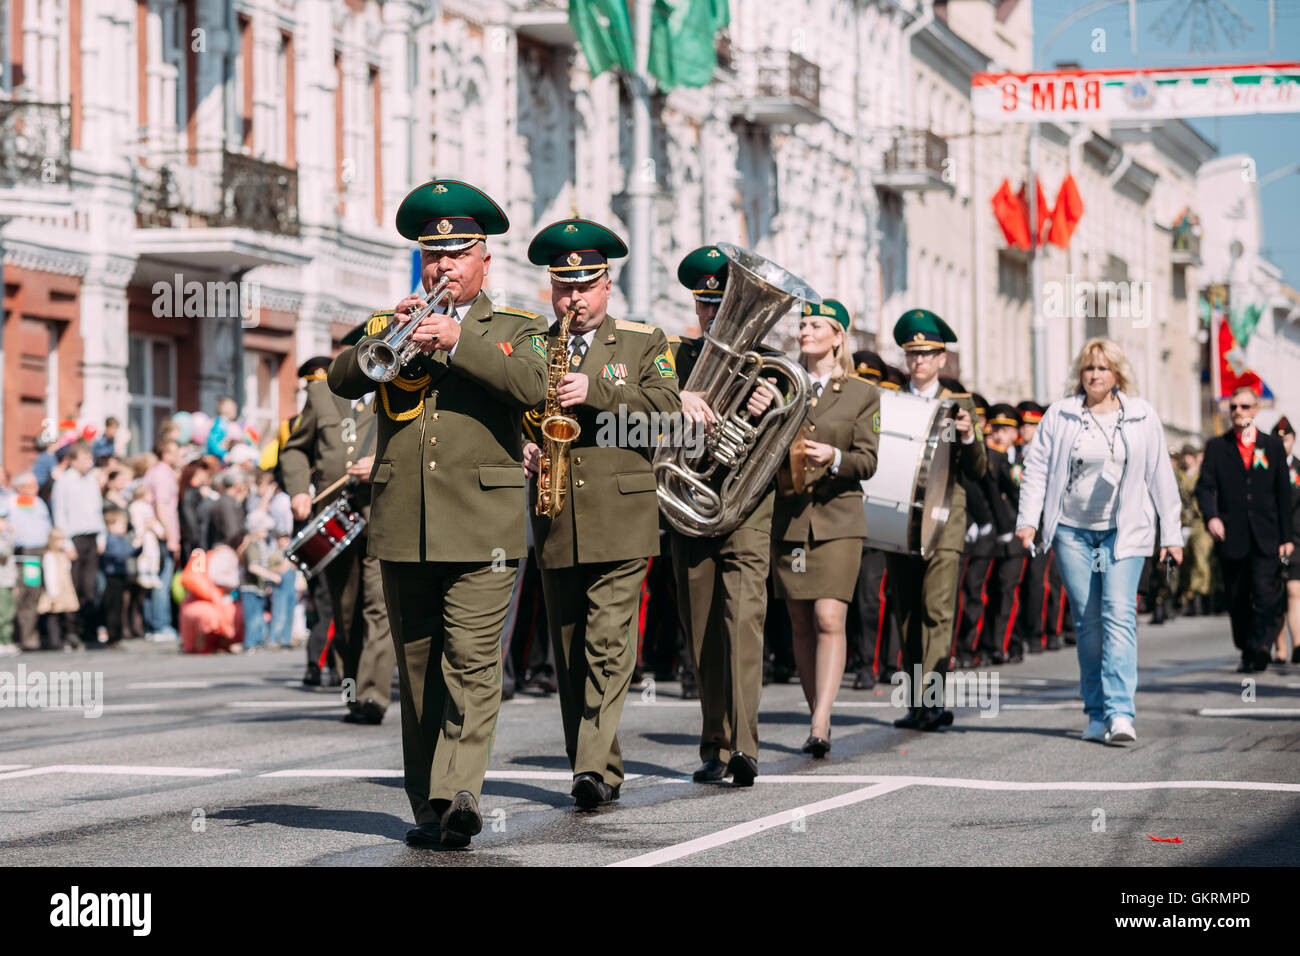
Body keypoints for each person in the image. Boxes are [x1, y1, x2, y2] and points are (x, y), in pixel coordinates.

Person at [329, 178, 547, 849]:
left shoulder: (517, 329)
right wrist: (392, 332)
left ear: (486, 260)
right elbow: (343, 378)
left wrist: (456, 340)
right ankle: (428, 807)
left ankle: (459, 791)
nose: (442, 266)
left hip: (483, 525)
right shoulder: (392, 321)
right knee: (418, 672)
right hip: (404, 522)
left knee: (473, 664)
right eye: (433, 255)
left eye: (456, 255)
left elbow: (535, 385)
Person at [521, 216, 680, 807]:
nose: (573, 299)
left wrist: (599, 391)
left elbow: (666, 414)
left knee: (608, 641)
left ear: (607, 286)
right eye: (563, 288)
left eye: (584, 286)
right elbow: (513, 415)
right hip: (555, 510)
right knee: (568, 649)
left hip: (621, 514)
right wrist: (524, 446)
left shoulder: (644, 341)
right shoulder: (535, 346)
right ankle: (599, 766)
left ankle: (588, 766)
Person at [1016, 338, 1183, 744]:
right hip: (1072, 530)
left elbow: (1161, 476)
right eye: (1089, 368)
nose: (1095, 375)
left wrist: (1172, 534)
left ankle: (1121, 712)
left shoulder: (1142, 416)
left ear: (1117, 374)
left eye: (1103, 368)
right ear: (1081, 374)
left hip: (1126, 531)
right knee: (1088, 623)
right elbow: (1036, 469)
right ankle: (1095, 713)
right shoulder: (1061, 415)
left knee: (1119, 615)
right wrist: (1028, 521)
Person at [666, 246, 774, 786]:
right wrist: (675, 399)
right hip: (690, 505)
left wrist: (768, 403)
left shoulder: (770, 365)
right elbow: (648, 423)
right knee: (703, 625)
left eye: (722, 303)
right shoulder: (673, 360)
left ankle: (746, 748)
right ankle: (715, 742)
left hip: (747, 507)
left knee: (744, 621)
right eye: (705, 305)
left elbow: (794, 432)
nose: (713, 314)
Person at [772, 299, 880, 756]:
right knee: (799, 620)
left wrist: (833, 458)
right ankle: (816, 709)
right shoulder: (778, 383)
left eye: (816, 325)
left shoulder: (861, 392)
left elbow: (868, 460)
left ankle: (821, 720)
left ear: (838, 337)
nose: (805, 330)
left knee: (827, 616)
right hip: (791, 517)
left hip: (837, 519)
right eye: (802, 323)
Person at [281, 347, 393, 723]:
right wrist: (298, 490)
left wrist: (378, 465)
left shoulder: (398, 385)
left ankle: (373, 698)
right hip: (333, 517)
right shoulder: (320, 393)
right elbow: (296, 450)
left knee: (379, 606)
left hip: (383, 511)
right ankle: (352, 691)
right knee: (344, 613)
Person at [887, 310, 986, 731]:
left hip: (945, 515)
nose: (920, 361)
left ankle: (931, 698)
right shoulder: (891, 398)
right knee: (906, 610)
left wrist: (967, 434)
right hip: (900, 516)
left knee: (937, 608)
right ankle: (914, 701)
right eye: (913, 354)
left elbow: (979, 469)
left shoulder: (958, 404)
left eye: (928, 354)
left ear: (942, 359)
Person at [1195, 387, 1294, 672]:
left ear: (1256, 410)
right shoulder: (1217, 447)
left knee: (1265, 593)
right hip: (1232, 536)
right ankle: (1247, 648)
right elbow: (1204, 487)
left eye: (1245, 407)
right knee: (1238, 597)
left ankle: (1262, 645)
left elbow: (1283, 494)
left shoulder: (1272, 447)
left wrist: (1287, 537)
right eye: (1234, 407)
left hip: (1267, 536)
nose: (1239, 412)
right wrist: (1212, 517)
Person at [848, 350, 901, 686]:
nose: (866, 386)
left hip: (882, 517)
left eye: (872, 381)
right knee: (849, 596)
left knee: (874, 595)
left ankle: (878, 663)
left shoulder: (890, 417)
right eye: (861, 379)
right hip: (848, 513)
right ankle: (859, 659)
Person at [980, 403, 1029, 664]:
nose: (999, 435)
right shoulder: (987, 456)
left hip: (1013, 534)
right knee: (986, 590)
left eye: (1006, 431)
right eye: (996, 429)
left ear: (1016, 434)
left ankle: (1002, 643)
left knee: (1007, 590)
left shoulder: (1020, 460)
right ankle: (985, 643)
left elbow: (1021, 493)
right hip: (990, 535)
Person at [49, 441, 107, 645]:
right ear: (73, 461)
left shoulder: (91, 481)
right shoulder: (64, 482)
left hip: (92, 536)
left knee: (90, 587)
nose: (89, 463)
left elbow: (97, 511)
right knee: (74, 586)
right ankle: (70, 631)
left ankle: (87, 629)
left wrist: (101, 537)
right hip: (74, 538)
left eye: (90, 459)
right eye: (85, 459)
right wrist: (66, 543)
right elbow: (60, 514)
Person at [7, 473, 52, 651]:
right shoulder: (11, 502)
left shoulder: (38, 503)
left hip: (37, 553)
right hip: (21, 553)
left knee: (33, 594)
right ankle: (18, 635)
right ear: (20, 487)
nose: (35, 488)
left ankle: (29, 636)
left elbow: (46, 525)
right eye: (31, 485)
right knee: (20, 594)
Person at [178, 544, 243, 654]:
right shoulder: (204, 563)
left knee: (232, 611)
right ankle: (202, 646)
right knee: (209, 615)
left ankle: (221, 644)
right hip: (202, 603)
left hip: (218, 600)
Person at [1272, 418, 1300, 663]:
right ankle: (1279, 646)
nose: (1283, 443)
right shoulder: (1264, 466)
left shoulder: (1298, 469)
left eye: (1287, 439)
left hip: (1296, 538)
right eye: (1278, 439)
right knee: (1276, 595)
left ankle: (1297, 644)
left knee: (1294, 590)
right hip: (1271, 538)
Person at [1174, 443, 1212, 618]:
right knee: (1186, 561)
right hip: (1183, 522)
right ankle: (1188, 597)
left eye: (1189, 456)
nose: (1186, 459)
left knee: (1201, 560)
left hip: (1200, 523)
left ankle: (1200, 597)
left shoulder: (1202, 475)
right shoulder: (1180, 475)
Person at [100, 509, 142, 647]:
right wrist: (133, 548)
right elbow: (120, 554)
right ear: (111, 526)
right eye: (121, 524)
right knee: (113, 607)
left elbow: (130, 552)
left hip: (120, 575)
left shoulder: (121, 539)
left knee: (119, 607)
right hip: (112, 577)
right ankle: (112, 637)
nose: (124, 528)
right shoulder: (110, 539)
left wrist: (138, 547)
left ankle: (117, 636)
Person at [39, 529, 83, 650]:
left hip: (66, 589)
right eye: (59, 540)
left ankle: (68, 638)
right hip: (55, 590)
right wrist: (53, 593)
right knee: (53, 616)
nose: (62, 543)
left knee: (68, 615)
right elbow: (50, 576)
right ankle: (54, 641)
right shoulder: (49, 556)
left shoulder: (63, 555)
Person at [178, 459, 213, 563]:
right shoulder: (191, 493)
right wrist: (196, 540)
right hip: (195, 541)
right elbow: (190, 517)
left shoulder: (195, 491)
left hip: (198, 539)